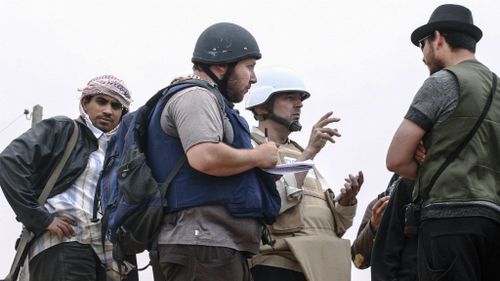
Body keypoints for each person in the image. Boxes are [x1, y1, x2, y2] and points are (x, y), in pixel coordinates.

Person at [147, 22, 280, 281]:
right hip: (202, 246)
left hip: (214, 247)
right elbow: (204, 156)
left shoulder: (211, 100)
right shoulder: (195, 95)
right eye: (249, 66)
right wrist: (258, 157)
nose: (254, 78)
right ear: (222, 66)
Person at [386, 4, 500, 280]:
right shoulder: (497, 88)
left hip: (447, 221)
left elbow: (395, 159)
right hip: (493, 221)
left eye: (423, 45)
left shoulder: (443, 82)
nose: (423, 56)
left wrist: (428, 165)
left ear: (438, 39)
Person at [0, 75, 133, 280]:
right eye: (101, 101)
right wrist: (40, 218)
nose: (108, 110)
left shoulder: (123, 151)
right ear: (85, 103)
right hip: (65, 243)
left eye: (116, 106)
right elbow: (9, 162)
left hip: (113, 257)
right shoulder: (63, 129)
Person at [245, 66, 362, 281]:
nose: (299, 104)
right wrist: (310, 153)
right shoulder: (249, 147)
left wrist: (346, 203)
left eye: (300, 99)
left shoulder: (298, 152)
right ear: (262, 107)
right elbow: (267, 206)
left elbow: (337, 225)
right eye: (289, 98)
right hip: (277, 265)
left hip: (320, 266)